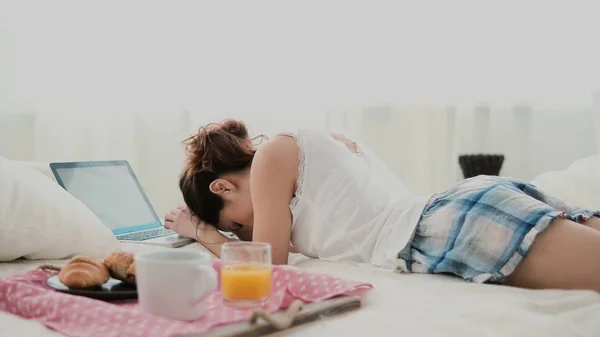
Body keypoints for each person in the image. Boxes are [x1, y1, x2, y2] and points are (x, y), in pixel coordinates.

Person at [165, 119, 600, 291]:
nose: (246, 235)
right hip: (463, 205)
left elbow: (264, 266)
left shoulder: (269, 162)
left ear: (223, 188)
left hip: (450, 224)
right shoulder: (308, 143)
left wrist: (201, 232)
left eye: (237, 227)